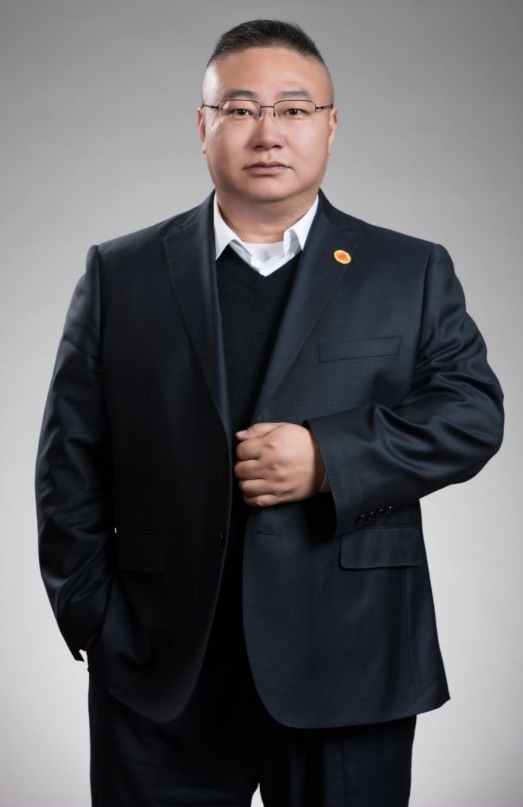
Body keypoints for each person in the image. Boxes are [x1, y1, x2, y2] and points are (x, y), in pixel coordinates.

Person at [35, 18, 504, 807]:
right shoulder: (121, 273)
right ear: (203, 126)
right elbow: (68, 459)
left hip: (350, 659)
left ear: (330, 124)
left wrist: (328, 458)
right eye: (240, 109)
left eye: (292, 109)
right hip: (159, 670)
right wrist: (93, 618)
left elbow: (470, 414)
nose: (267, 132)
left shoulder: (408, 269)